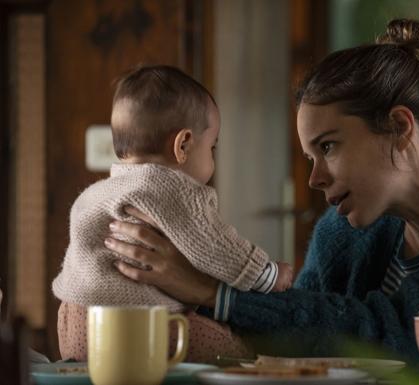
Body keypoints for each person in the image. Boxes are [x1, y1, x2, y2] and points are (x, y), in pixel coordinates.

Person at [105, 20, 419, 367]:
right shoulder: (341, 232)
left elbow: (406, 338)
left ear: (399, 127)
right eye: (310, 157)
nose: (314, 179)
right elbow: (300, 338)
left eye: (328, 147)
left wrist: (209, 291)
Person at [52, 65, 293, 361]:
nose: (213, 158)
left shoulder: (95, 194)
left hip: (72, 323)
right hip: (133, 325)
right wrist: (266, 274)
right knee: (237, 352)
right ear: (184, 145)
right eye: (212, 147)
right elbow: (216, 246)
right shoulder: (173, 190)